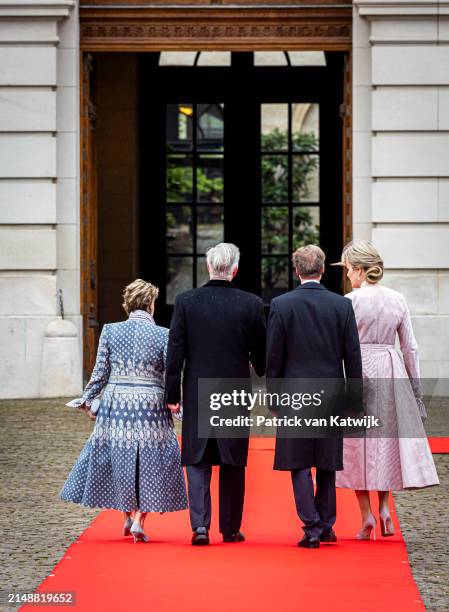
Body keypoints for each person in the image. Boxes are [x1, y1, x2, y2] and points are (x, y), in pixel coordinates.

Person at [60, 279, 188, 543]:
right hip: (151, 404)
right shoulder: (163, 334)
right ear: (151, 304)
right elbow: (170, 375)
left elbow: (99, 374)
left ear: (127, 304)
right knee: (151, 462)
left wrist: (87, 400)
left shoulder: (110, 331)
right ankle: (140, 519)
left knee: (120, 459)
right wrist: (176, 403)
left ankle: (126, 515)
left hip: (117, 404)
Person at [334, 241, 439, 539]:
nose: (346, 276)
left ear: (357, 269)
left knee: (356, 445)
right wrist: (415, 390)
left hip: (358, 369)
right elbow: (411, 347)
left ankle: (366, 514)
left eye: (347, 270)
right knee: (385, 443)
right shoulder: (397, 299)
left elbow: (341, 346)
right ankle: (383, 509)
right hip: (391, 370)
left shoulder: (350, 301)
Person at [165, 243, 266, 545]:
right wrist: (258, 366)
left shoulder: (186, 301)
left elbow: (176, 351)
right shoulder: (251, 303)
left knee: (198, 459)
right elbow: (261, 351)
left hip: (197, 388)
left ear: (209, 267)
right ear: (234, 269)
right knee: (233, 460)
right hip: (233, 391)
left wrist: (172, 393)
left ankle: (200, 527)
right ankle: (230, 528)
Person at [267, 245, 362, 549]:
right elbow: (353, 357)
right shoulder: (341, 305)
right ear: (322, 269)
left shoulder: (281, 305)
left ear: (297, 271)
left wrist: (274, 400)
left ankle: (311, 526)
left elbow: (274, 358)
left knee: (299, 463)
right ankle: (326, 524)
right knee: (326, 462)